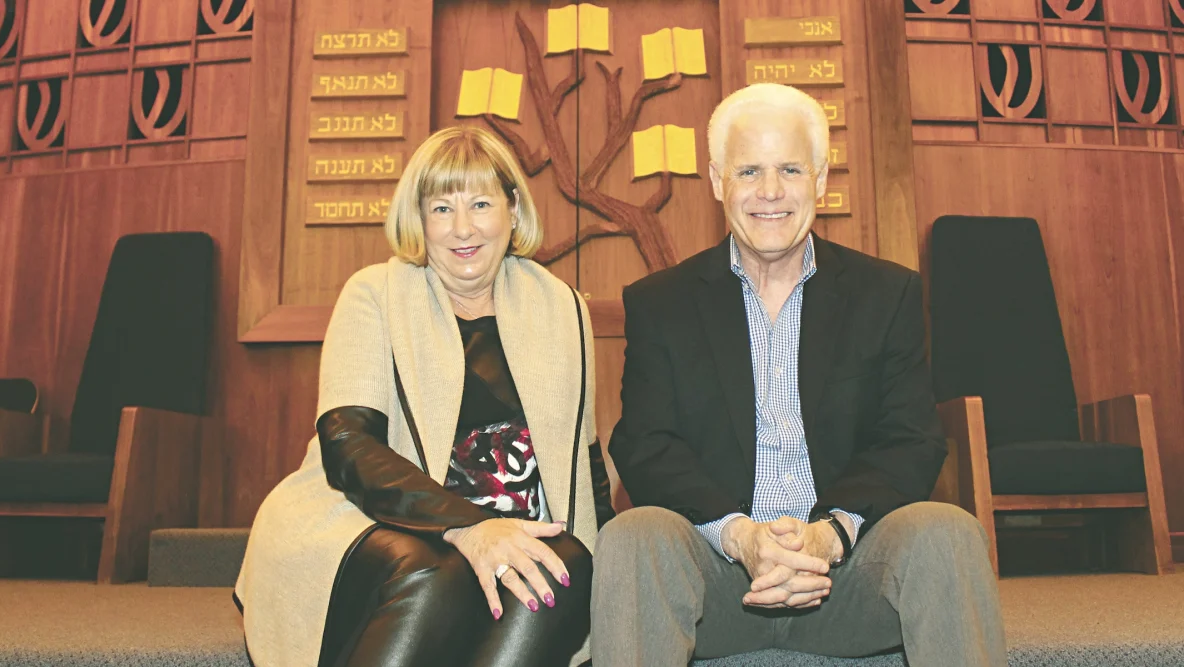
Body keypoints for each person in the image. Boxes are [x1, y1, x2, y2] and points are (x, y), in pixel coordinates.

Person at [591, 83, 1006, 666]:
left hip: (847, 579)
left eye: (789, 168)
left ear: (820, 178)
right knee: (631, 538)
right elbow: (646, 443)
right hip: (716, 584)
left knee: (947, 531)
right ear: (716, 182)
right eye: (748, 172)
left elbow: (910, 439)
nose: (770, 192)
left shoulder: (886, 295)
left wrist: (827, 537)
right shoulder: (663, 303)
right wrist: (740, 536)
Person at [235, 126, 614, 667]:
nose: (462, 228)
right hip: (378, 517)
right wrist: (469, 526)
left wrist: (608, 560)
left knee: (561, 567)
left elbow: (583, 454)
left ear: (512, 208)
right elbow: (348, 446)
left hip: (519, 525)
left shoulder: (562, 307)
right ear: (419, 218)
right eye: (441, 208)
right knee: (436, 571)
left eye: (480, 203)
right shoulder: (375, 294)